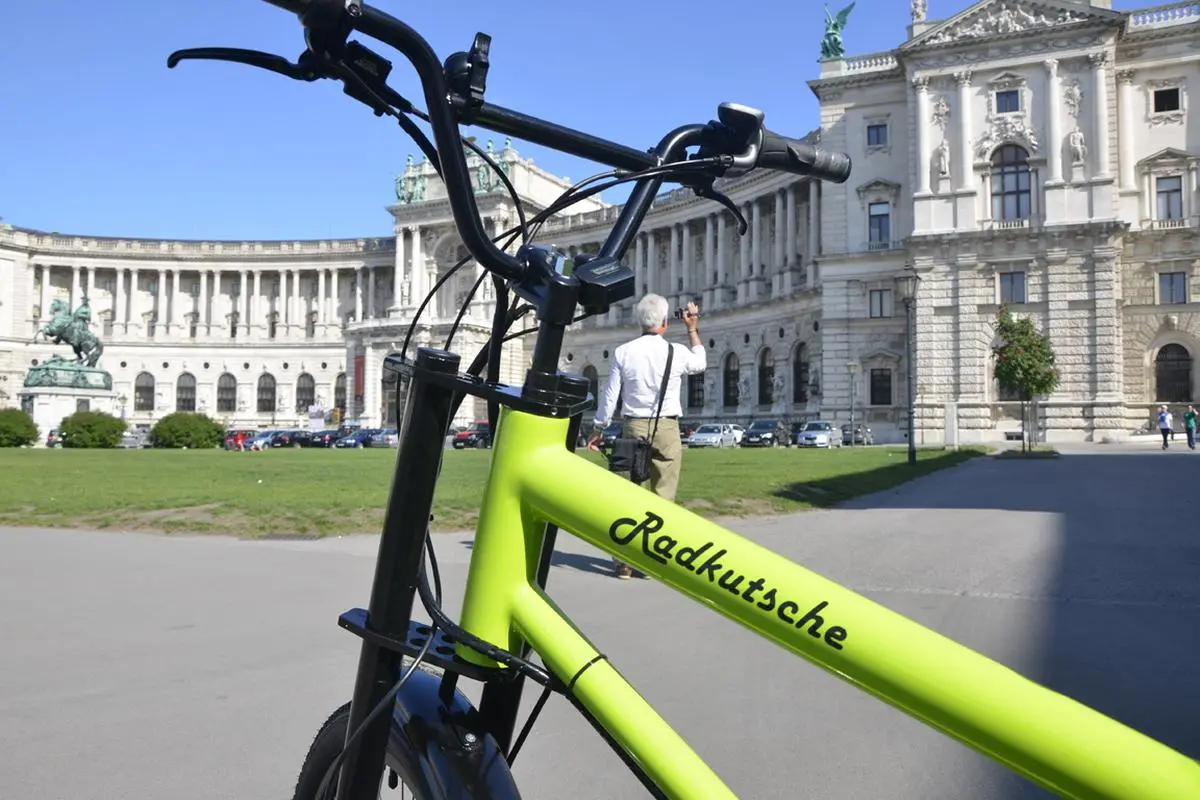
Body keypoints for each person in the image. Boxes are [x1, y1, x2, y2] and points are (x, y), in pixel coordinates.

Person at [588, 293, 706, 579]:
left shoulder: (623, 352)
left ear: (638, 321)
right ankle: (654, 560)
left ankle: (624, 562)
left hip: (633, 428)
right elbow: (700, 363)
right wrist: (692, 328)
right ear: (665, 322)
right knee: (663, 497)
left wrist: (598, 428)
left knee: (625, 497)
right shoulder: (676, 352)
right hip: (667, 428)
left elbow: (610, 396)